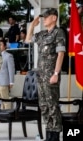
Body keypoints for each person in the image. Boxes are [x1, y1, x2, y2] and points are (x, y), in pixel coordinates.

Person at [25, 8, 66, 141]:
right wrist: (32, 25)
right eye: (43, 17)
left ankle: (54, 136)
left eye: (46, 17)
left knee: (52, 105)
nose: (44, 20)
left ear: (54, 18)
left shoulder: (58, 32)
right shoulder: (42, 34)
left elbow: (60, 54)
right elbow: (27, 40)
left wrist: (56, 73)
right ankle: (48, 133)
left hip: (51, 76)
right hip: (41, 76)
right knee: (44, 106)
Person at [0, 39, 15, 110]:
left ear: (5, 46)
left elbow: (11, 69)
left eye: (0, 45)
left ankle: (7, 114)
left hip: (3, 81)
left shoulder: (8, 56)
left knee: (5, 100)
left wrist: (11, 81)